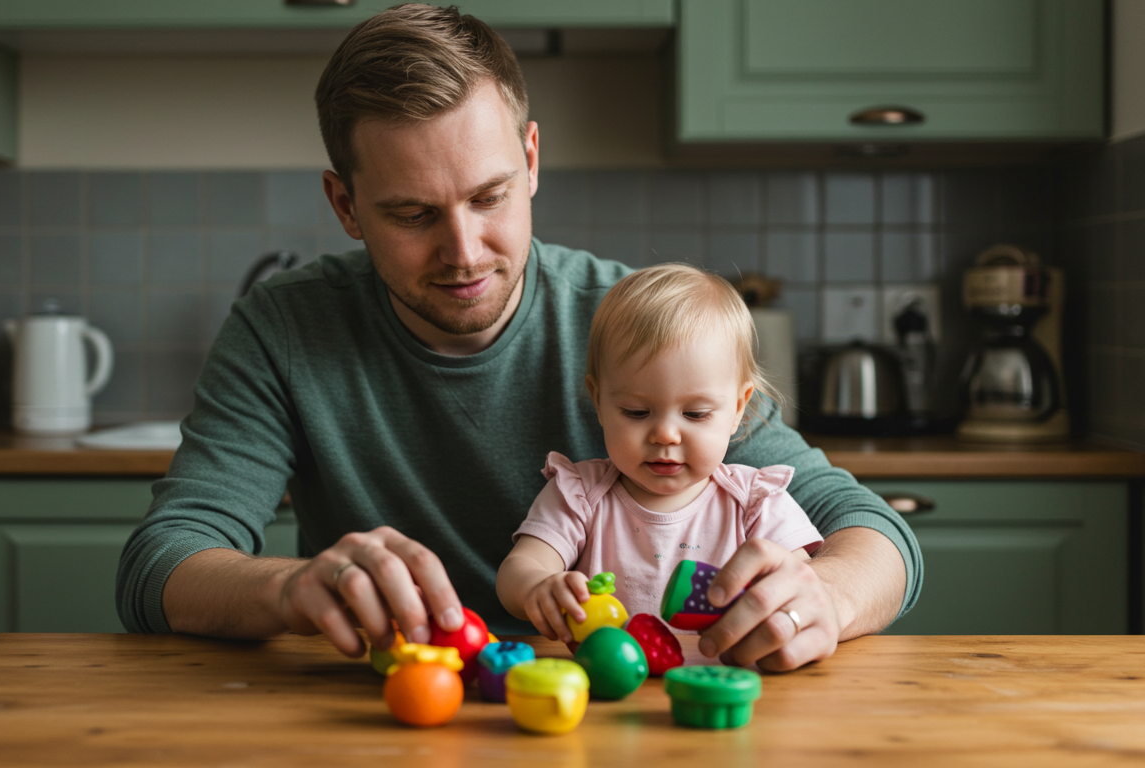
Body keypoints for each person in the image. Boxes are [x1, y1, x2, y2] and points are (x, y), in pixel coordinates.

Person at [116, 3, 922, 672]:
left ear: (531, 160)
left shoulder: (633, 323)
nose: (464, 252)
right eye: (412, 214)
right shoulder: (284, 327)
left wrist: (831, 596)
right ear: (345, 206)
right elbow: (164, 563)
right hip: (386, 720)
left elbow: (873, 532)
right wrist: (291, 590)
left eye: (490, 196)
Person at [496, 264, 825, 644]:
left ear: (738, 408)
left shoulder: (756, 503)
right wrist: (539, 587)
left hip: (719, 684)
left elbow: (802, 584)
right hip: (607, 693)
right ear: (598, 401)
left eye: (695, 414)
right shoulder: (579, 495)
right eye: (636, 412)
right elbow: (521, 566)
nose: (665, 435)